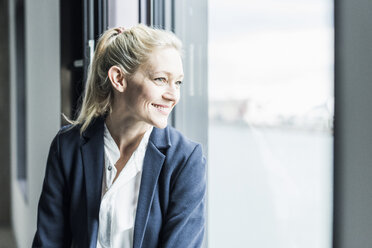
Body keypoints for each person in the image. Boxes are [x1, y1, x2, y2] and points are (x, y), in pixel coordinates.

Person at [32, 24, 206, 248]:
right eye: (161, 79)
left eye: (178, 82)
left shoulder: (186, 160)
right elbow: (48, 242)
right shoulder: (66, 147)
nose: (173, 96)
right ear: (119, 79)